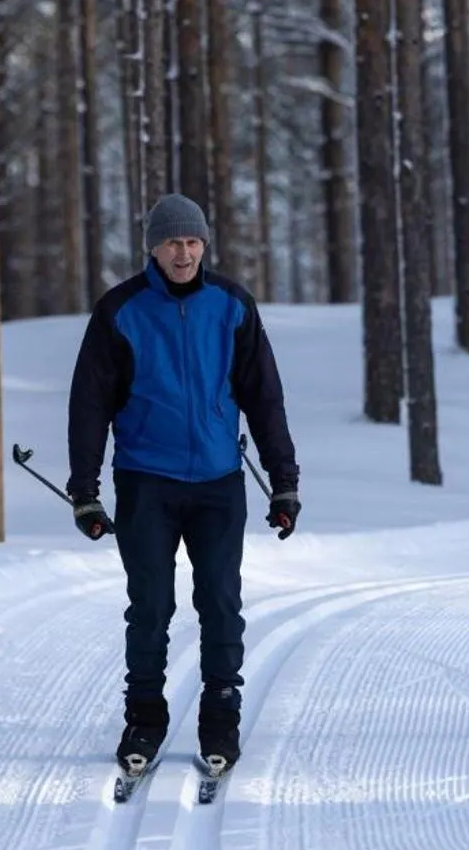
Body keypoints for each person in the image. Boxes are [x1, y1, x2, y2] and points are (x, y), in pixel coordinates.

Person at [66, 193, 301, 776]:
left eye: (193, 241)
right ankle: (144, 715)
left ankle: (221, 713)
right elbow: (89, 405)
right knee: (151, 606)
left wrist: (284, 482)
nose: (184, 251)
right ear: (153, 246)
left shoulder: (231, 305)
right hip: (147, 480)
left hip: (219, 482)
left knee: (220, 600)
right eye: (173, 241)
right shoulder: (120, 310)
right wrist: (85, 488)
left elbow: (264, 399)